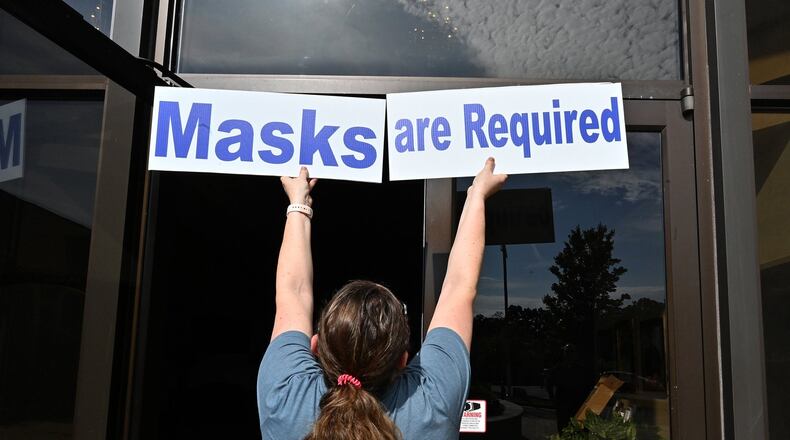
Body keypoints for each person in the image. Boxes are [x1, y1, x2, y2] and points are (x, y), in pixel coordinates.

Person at [257, 158, 507, 439]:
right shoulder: (431, 402)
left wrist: (298, 202)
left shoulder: (285, 396)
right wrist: (477, 195)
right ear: (403, 359)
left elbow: (293, 291)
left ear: (315, 347)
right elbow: (458, 288)